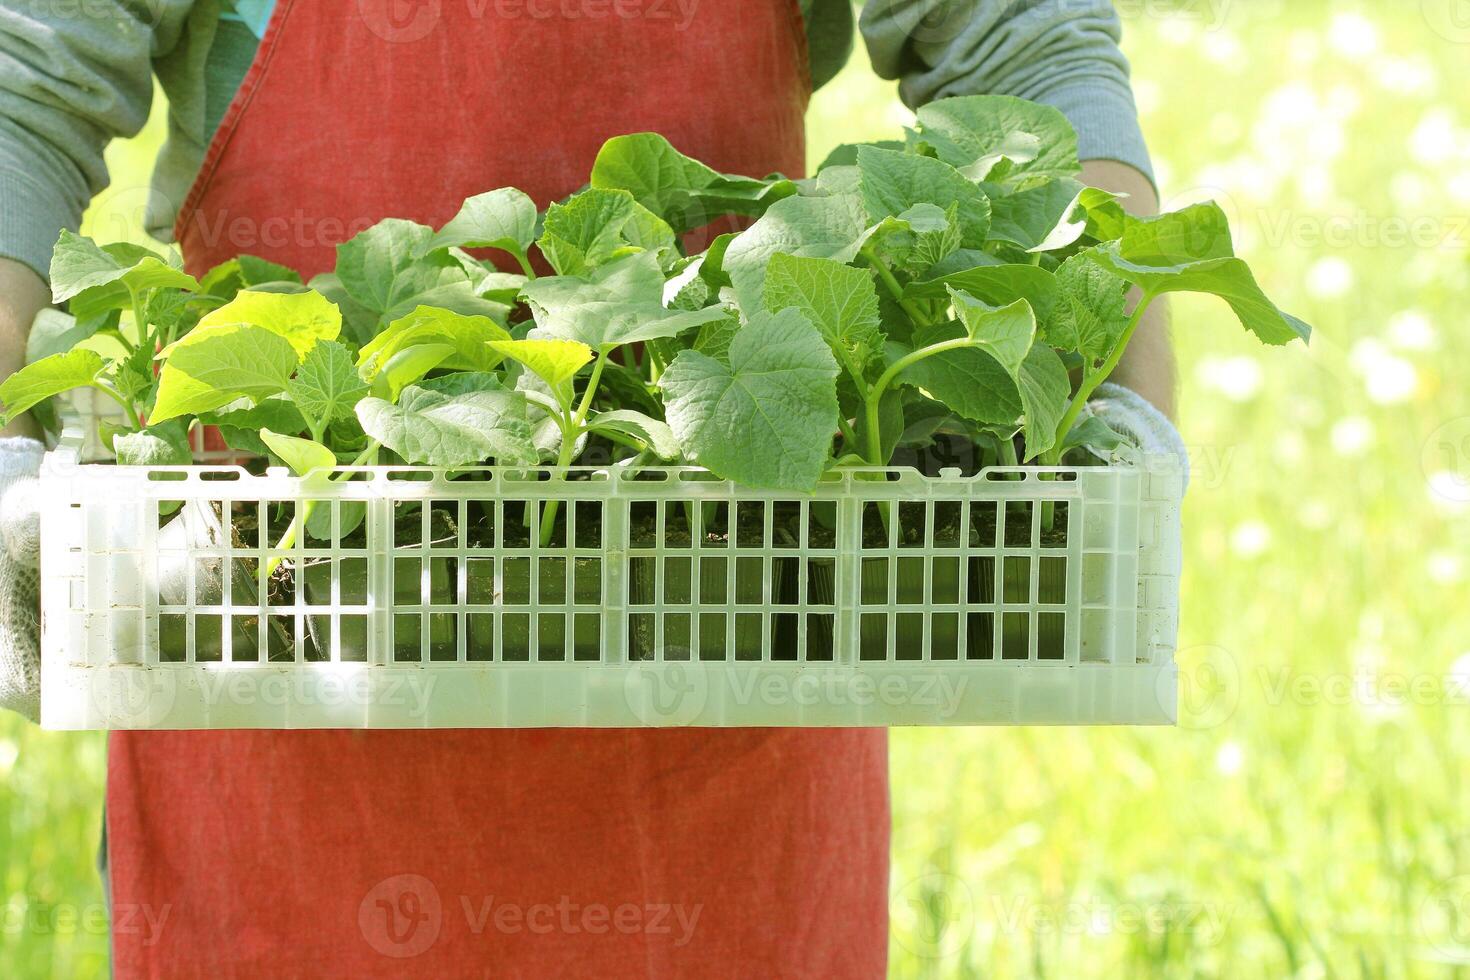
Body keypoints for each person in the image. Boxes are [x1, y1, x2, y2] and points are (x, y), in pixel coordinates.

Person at [0, 0, 1176, 973]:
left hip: (728, 683)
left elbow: (1027, 47)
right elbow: (22, 94)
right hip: (283, 668)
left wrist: (1111, 407)